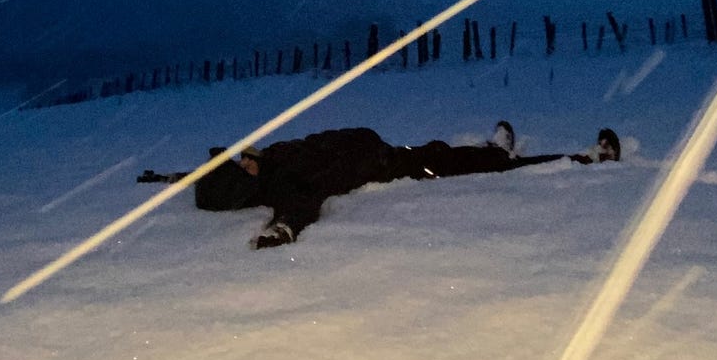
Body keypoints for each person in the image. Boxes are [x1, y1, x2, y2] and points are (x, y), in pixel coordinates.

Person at [137, 121, 620, 250]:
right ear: (244, 188)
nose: (247, 158)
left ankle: (495, 151)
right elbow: (299, 206)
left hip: (372, 146)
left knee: (438, 153)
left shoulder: (266, 162)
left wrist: (172, 177)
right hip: (383, 166)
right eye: (241, 166)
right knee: (449, 164)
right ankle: (578, 158)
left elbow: (210, 178)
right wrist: (282, 229)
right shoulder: (282, 184)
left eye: (241, 158)